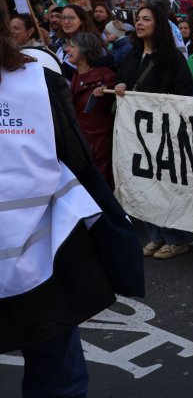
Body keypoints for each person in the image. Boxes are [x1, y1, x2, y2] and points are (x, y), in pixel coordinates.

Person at [0, 21, 143, 398]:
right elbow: (77, 158)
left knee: (57, 370)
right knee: (56, 372)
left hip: (41, 256)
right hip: (42, 257)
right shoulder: (37, 79)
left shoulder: (38, 77)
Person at [113, 4, 193, 260]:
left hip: (163, 133)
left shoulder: (172, 59)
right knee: (143, 183)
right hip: (136, 133)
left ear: (158, 24)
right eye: (137, 18)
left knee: (164, 186)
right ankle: (156, 235)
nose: (139, 23)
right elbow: (122, 81)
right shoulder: (131, 56)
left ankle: (175, 238)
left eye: (146, 19)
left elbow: (185, 95)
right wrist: (119, 85)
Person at [65, 32, 117, 189]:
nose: (67, 49)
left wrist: (107, 92)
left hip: (99, 143)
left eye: (72, 46)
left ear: (85, 49)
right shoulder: (75, 75)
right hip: (80, 141)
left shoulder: (105, 76)